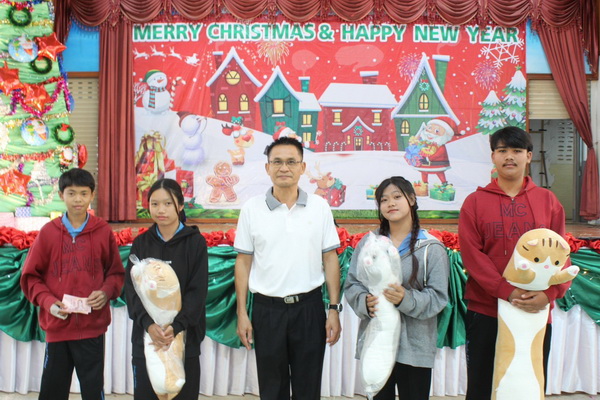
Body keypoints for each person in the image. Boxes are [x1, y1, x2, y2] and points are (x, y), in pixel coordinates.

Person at [459, 126, 571, 399]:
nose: (509, 156)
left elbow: (562, 254)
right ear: (493, 157)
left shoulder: (548, 201)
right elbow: (472, 255)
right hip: (486, 310)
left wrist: (549, 294)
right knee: (482, 386)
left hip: (534, 310)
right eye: (502, 150)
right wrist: (506, 290)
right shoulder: (474, 202)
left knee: (528, 385)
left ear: (529, 156)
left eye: (517, 150)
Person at [234, 136, 342, 400]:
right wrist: (242, 313)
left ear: (302, 167)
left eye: (291, 162)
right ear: (267, 167)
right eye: (277, 162)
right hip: (267, 311)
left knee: (308, 388)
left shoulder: (319, 207)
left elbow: (330, 259)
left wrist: (333, 309)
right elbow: (243, 263)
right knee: (272, 389)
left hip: (309, 309)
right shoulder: (251, 209)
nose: (284, 168)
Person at [20, 168, 125, 400]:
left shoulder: (103, 231)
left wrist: (106, 292)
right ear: (61, 195)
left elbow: (116, 273)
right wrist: (49, 303)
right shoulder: (48, 233)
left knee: (93, 390)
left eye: (84, 193)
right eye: (71, 193)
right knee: (52, 391)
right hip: (57, 326)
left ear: (92, 195)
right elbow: (31, 277)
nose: (78, 199)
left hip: (92, 326)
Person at [345, 176, 449, 400]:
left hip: (415, 346)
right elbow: (352, 283)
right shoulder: (369, 244)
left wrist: (405, 299)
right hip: (377, 342)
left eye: (397, 197)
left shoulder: (431, 247)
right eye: (384, 200)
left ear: (411, 199)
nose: (390, 203)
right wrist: (364, 301)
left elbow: (438, 297)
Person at [125, 178, 208, 400]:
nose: (160, 210)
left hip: (184, 337)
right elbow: (131, 290)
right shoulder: (141, 243)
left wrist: (177, 326)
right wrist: (148, 324)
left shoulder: (195, 243)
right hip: (147, 338)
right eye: (154, 204)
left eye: (167, 203)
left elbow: (197, 291)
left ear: (180, 205)